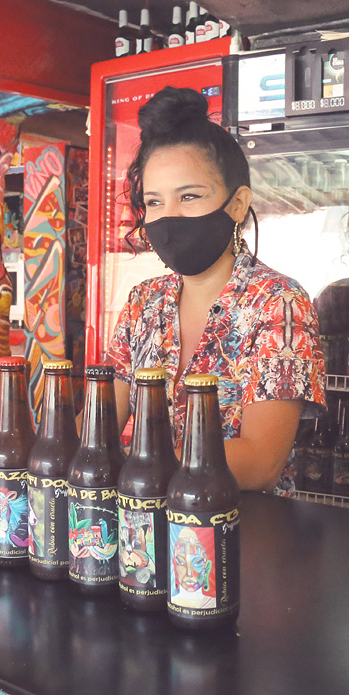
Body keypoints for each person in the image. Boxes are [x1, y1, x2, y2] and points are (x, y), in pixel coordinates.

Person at [107, 87, 325, 494]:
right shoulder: (143, 303)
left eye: (189, 196)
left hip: (248, 538)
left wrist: (138, 466)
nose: (168, 217)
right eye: (154, 202)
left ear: (238, 204)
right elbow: (98, 430)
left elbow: (261, 462)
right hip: (145, 536)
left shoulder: (278, 303)